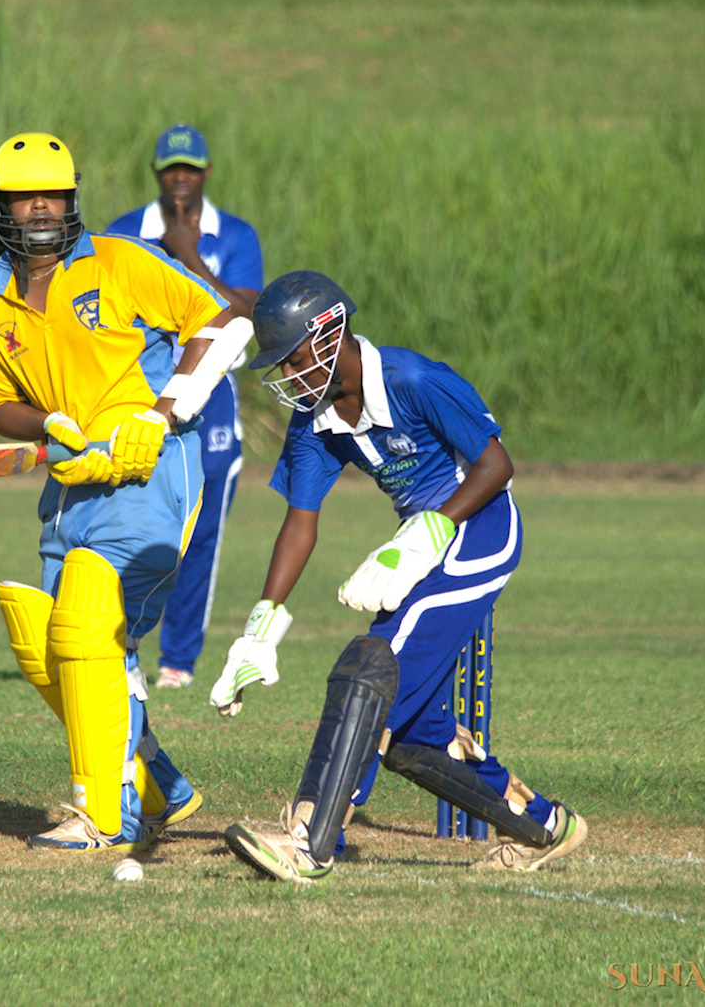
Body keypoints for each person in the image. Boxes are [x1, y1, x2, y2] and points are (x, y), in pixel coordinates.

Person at [208, 270, 588, 884]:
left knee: (372, 666)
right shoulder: (313, 419)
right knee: (413, 738)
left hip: (480, 532)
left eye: (293, 359)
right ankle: (543, 827)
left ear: (330, 332)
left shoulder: (412, 380)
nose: (286, 377)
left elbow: (496, 466)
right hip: (421, 542)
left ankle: (309, 838)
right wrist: (260, 626)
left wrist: (432, 529)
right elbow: (300, 524)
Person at [0, 132, 256, 851]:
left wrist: (163, 410)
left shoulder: (121, 262)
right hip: (72, 490)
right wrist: (45, 423)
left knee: (91, 620)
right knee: (47, 644)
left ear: (72, 199)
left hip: (154, 474)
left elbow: (225, 323)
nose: (40, 207)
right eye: (26, 194)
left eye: (54, 194)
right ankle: (157, 786)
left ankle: (104, 815)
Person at [105, 124, 263, 690]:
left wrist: (189, 256)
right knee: (129, 526)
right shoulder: (125, 233)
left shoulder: (235, 235)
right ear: (157, 171)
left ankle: (177, 663)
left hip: (213, 395)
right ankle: (117, 650)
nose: (180, 178)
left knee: (201, 536)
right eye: (171, 168)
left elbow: (249, 312)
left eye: (190, 168)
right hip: (142, 390)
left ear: (205, 173)